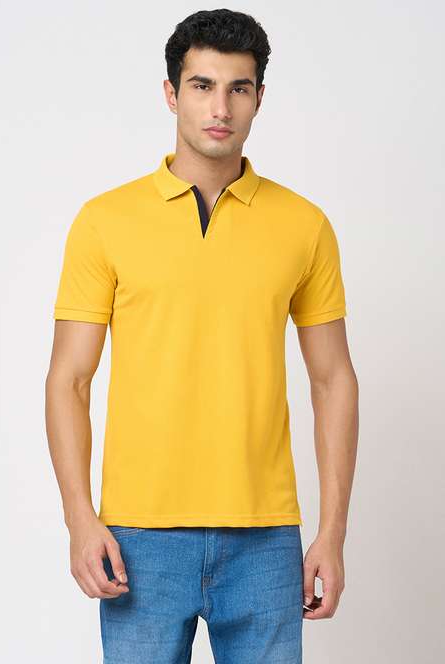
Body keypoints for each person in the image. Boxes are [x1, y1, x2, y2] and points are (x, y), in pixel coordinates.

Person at [45, 8, 359, 663]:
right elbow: (69, 379)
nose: (220, 107)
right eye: (202, 85)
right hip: (138, 537)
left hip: (265, 537)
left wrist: (332, 533)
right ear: (171, 93)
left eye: (238, 88)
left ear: (259, 97)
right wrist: (80, 518)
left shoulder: (304, 226)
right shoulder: (104, 222)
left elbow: (333, 379)